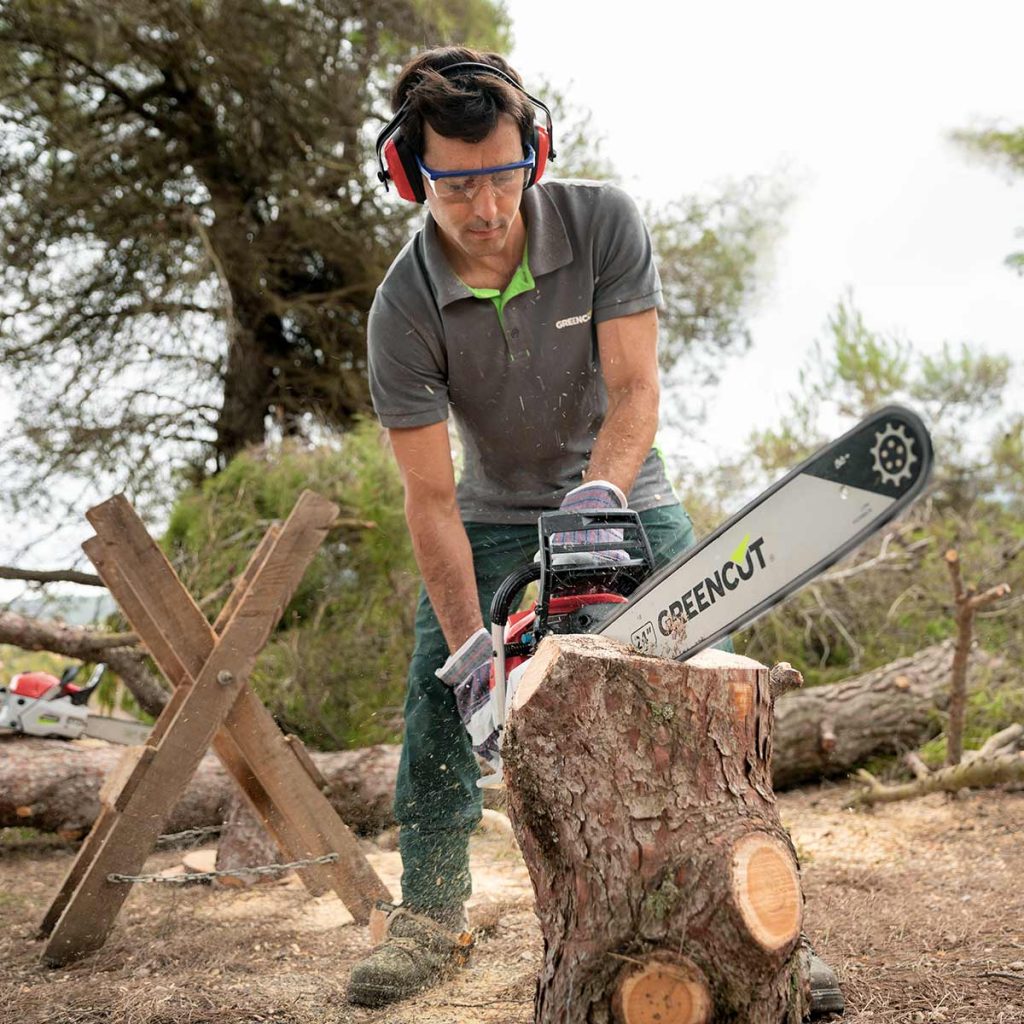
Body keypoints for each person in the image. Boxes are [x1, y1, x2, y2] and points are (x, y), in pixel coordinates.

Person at [349, 45, 844, 1020]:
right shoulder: (402, 310)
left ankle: (772, 923)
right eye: (457, 186)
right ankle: (430, 914)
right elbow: (428, 499)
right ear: (413, 176)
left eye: (501, 174)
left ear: (530, 154)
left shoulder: (603, 223)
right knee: (431, 710)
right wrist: (467, 659)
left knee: (713, 685)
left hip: (626, 488)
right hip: (490, 513)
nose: (486, 207)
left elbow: (635, 390)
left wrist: (598, 503)